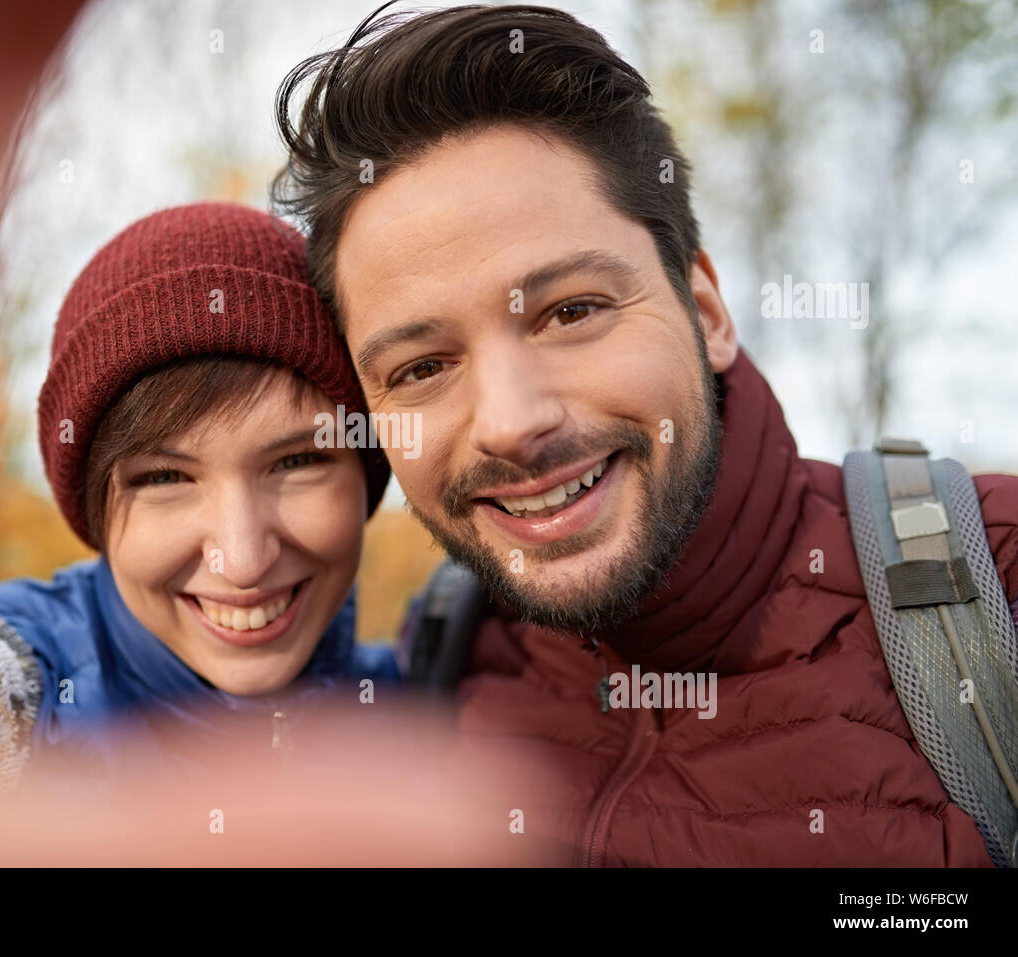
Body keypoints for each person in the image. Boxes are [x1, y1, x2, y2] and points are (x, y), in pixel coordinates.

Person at [270, 4, 1018, 865]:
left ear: (705, 313)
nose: (512, 423)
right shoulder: (438, 659)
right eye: (421, 367)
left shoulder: (991, 586)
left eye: (572, 311)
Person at [0, 202, 394, 791]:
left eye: (297, 463)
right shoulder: (20, 680)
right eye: (164, 478)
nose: (242, 562)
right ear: (92, 509)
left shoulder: (424, 701)